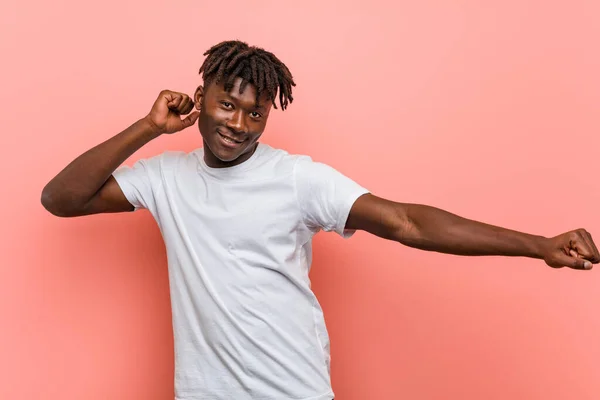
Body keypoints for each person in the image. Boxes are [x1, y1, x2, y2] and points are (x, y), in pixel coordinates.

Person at [41, 40, 599, 400]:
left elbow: (406, 221)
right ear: (198, 98)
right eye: (226, 104)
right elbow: (61, 198)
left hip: (291, 390)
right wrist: (147, 127)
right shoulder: (165, 177)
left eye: (256, 111)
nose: (238, 122)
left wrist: (537, 244)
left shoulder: (297, 179)